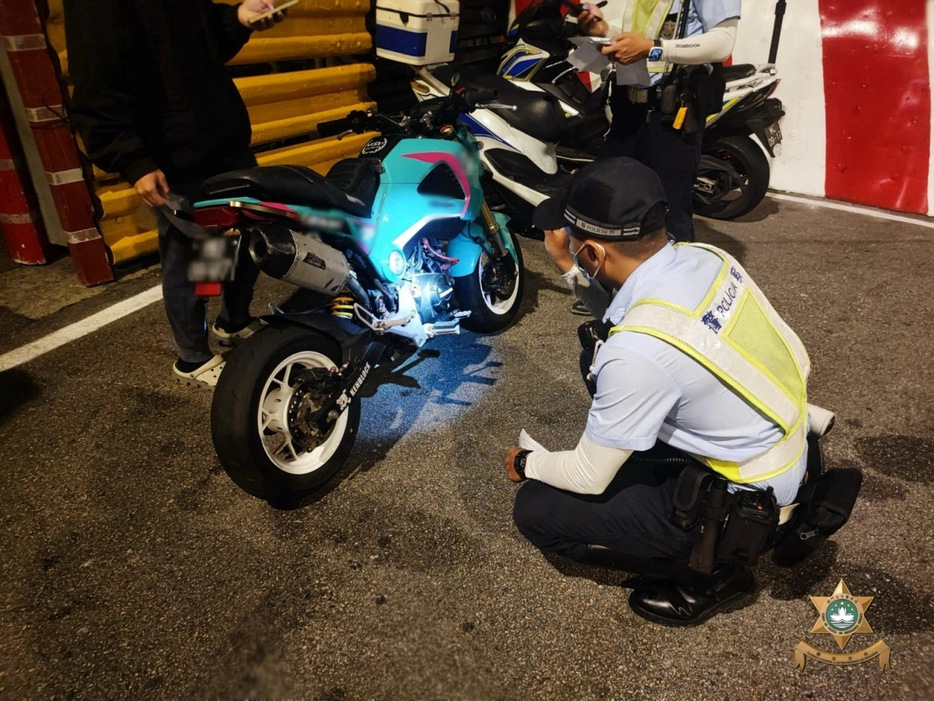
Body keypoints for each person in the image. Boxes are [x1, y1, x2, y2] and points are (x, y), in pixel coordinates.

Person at [505, 156, 814, 626]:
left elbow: (589, 475)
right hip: (780, 439)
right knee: (598, 357)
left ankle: (712, 572)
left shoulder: (637, 354)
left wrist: (527, 464)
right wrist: (570, 266)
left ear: (596, 253)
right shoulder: (703, 258)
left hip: (748, 499)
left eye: (570, 240)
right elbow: (623, 311)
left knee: (536, 508)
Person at [64, 0, 287, 387]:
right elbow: (97, 76)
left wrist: (237, 19)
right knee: (191, 257)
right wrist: (132, 159)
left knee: (233, 243)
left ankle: (232, 322)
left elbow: (201, 46)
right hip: (174, 154)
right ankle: (193, 357)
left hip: (219, 141)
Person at [571, 0, 740, 243]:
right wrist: (605, 32)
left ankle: (674, 275)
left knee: (670, 213)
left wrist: (654, 48)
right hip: (627, 107)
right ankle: (621, 278)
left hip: (671, 115)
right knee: (616, 203)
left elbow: (723, 42)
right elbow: (644, 37)